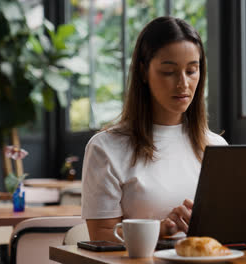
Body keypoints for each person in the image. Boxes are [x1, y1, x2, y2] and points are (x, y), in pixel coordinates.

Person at [81, 16, 228, 242]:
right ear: (143, 72)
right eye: (169, 72)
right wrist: (161, 229)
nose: (183, 83)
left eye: (191, 71)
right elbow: (100, 236)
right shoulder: (106, 148)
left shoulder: (216, 147)